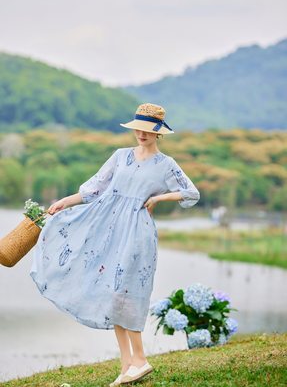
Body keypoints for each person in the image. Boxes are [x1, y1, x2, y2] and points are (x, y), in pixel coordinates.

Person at [29, 102, 200, 386]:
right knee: (112, 294)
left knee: (126, 292)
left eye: (147, 131)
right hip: (107, 227)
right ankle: (126, 367)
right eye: (138, 130)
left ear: (159, 133)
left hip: (137, 232)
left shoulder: (166, 165)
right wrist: (64, 202)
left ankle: (141, 359)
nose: (141, 135)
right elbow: (94, 188)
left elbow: (191, 193)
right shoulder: (120, 156)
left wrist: (159, 198)